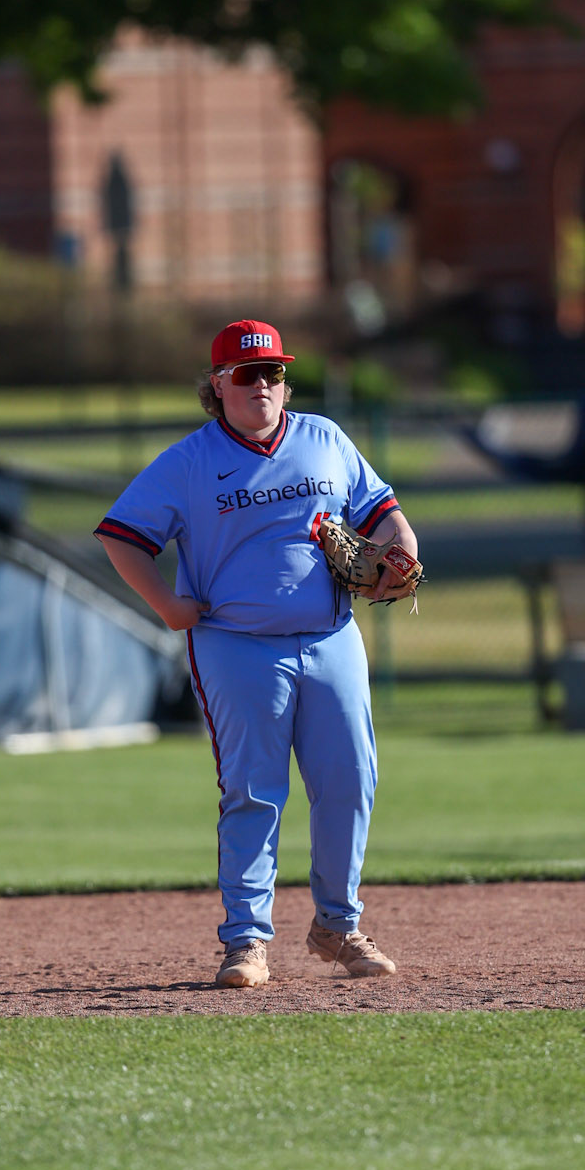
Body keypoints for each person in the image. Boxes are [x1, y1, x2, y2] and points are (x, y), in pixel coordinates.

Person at [94, 319, 418, 988]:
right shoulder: (187, 462)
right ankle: (245, 941)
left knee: (349, 784)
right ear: (217, 386)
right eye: (246, 374)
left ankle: (338, 926)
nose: (262, 384)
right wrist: (165, 604)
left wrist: (401, 545)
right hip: (237, 648)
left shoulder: (323, 438)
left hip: (330, 639)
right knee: (253, 792)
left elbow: (381, 508)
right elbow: (120, 535)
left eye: (272, 371)